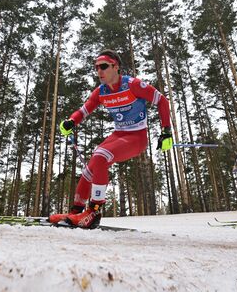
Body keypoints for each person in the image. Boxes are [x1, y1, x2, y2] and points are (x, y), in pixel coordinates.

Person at [49, 49, 173, 229]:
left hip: (136, 137)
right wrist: (71, 121)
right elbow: (85, 110)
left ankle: (93, 212)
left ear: (116, 67)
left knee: (100, 156)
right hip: (118, 134)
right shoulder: (101, 91)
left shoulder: (133, 84)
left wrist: (166, 131)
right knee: (90, 170)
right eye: (96, 67)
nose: (99, 71)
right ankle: (76, 213)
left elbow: (162, 101)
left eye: (104, 66)